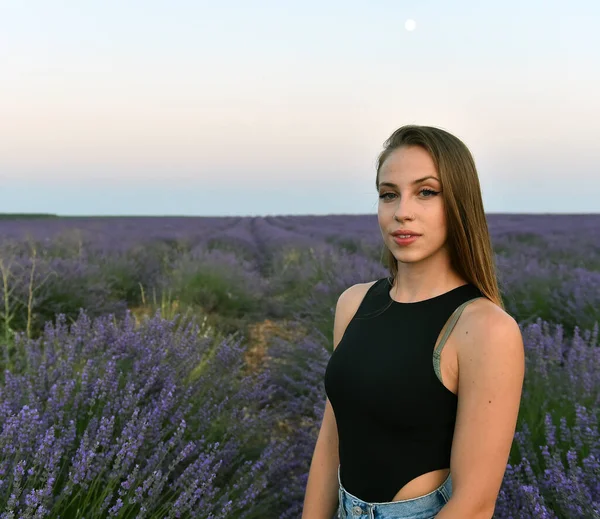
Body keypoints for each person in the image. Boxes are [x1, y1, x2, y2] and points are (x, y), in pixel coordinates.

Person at [301, 125, 525, 519]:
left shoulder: (485, 328)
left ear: (458, 202)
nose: (402, 210)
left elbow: (473, 505)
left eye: (426, 192)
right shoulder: (353, 303)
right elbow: (332, 438)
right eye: (389, 194)